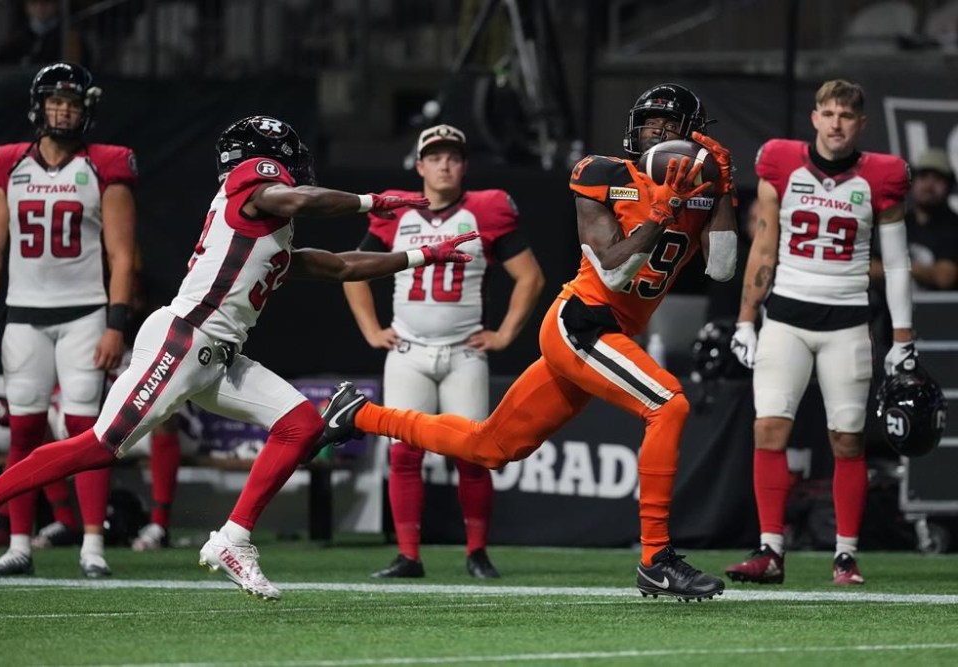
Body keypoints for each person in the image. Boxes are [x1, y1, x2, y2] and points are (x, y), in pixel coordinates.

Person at [0, 114, 477, 601]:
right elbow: (297, 200)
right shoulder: (258, 181)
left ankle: (232, 537)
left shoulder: (262, 225)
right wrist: (371, 201)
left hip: (218, 353)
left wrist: (420, 255)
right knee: (100, 445)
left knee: (300, 425)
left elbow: (339, 266)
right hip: (185, 339)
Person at [318, 83, 739, 601]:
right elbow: (612, 269)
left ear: (692, 137)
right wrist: (661, 212)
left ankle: (357, 415)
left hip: (611, 332)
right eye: (650, 121)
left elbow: (721, 269)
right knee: (668, 404)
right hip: (582, 320)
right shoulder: (604, 173)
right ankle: (656, 559)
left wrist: (721, 195)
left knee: (490, 447)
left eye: (669, 126)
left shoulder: (700, 193)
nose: (657, 132)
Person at [725, 79, 914, 586]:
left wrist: (903, 338)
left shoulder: (882, 176)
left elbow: (897, 266)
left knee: (846, 439)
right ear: (814, 118)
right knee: (769, 428)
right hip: (785, 315)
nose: (835, 124)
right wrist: (746, 317)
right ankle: (769, 549)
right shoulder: (781, 165)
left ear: (860, 124)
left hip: (847, 320)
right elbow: (763, 248)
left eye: (845, 116)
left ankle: (845, 555)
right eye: (828, 113)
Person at [342, 124, 545, 579]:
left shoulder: (487, 210)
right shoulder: (396, 211)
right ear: (419, 166)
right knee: (403, 454)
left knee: (474, 453)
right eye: (435, 157)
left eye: (453, 156)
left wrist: (506, 333)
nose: (445, 164)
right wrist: (372, 329)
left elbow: (530, 277)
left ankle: (476, 552)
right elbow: (354, 270)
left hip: (463, 351)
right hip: (409, 350)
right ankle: (408, 555)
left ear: (465, 165)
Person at [0, 62, 135, 578]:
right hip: (23, 315)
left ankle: (92, 545)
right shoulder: (7, 164)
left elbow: (123, 255)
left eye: (74, 102)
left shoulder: (106, 163)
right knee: (24, 429)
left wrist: (115, 323)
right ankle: (19, 544)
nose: (64, 110)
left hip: (85, 313)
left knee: (87, 430)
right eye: (56, 101)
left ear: (87, 110)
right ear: (39, 106)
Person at [871, 147, 958, 291]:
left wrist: (890, 269)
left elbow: (945, 277)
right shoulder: (896, 223)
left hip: (942, 312)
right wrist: (921, 271)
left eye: (938, 179)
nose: (929, 186)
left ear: (949, 187)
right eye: (923, 176)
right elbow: (868, 269)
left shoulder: (954, 227)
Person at [0, 0, 90, 67]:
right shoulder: (18, 37)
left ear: (56, 5)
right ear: (27, 7)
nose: (40, 8)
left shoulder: (69, 37)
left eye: (46, 3)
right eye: (34, 3)